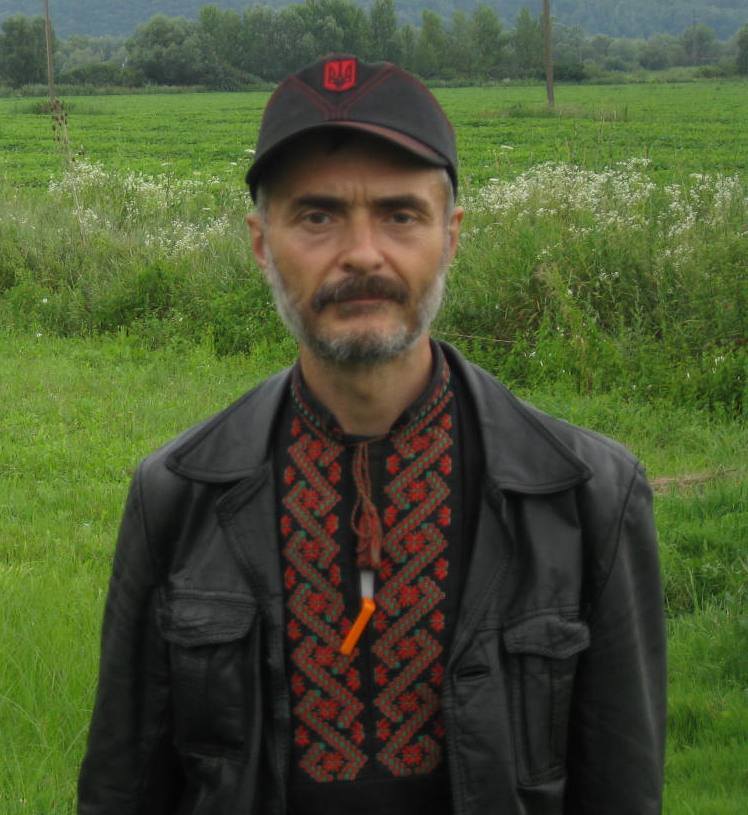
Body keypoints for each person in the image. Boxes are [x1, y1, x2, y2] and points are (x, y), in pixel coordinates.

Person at [78, 55, 666, 815]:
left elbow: (622, 785)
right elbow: (123, 786)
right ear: (261, 242)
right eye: (317, 216)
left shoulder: (589, 498)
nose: (361, 252)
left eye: (400, 215)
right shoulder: (176, 497)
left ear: (451, 236)